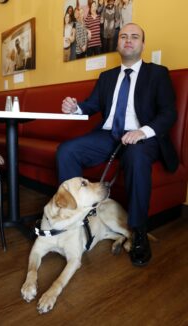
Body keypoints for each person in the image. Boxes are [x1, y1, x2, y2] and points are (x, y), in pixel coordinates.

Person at [56, 23, 179, 267]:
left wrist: (141, 132)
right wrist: (76, 107)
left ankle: (138, 231)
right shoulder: (107, 77)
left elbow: (168, 113)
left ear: (143, 44)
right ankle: (74, 221)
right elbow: (91, 105)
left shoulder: (158, 73)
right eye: (124, 36)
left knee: (136, 157)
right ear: (118, 43)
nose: (129, 40)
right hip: (108, 135)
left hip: (143, 137)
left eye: (135, 37)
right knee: (66, 150)